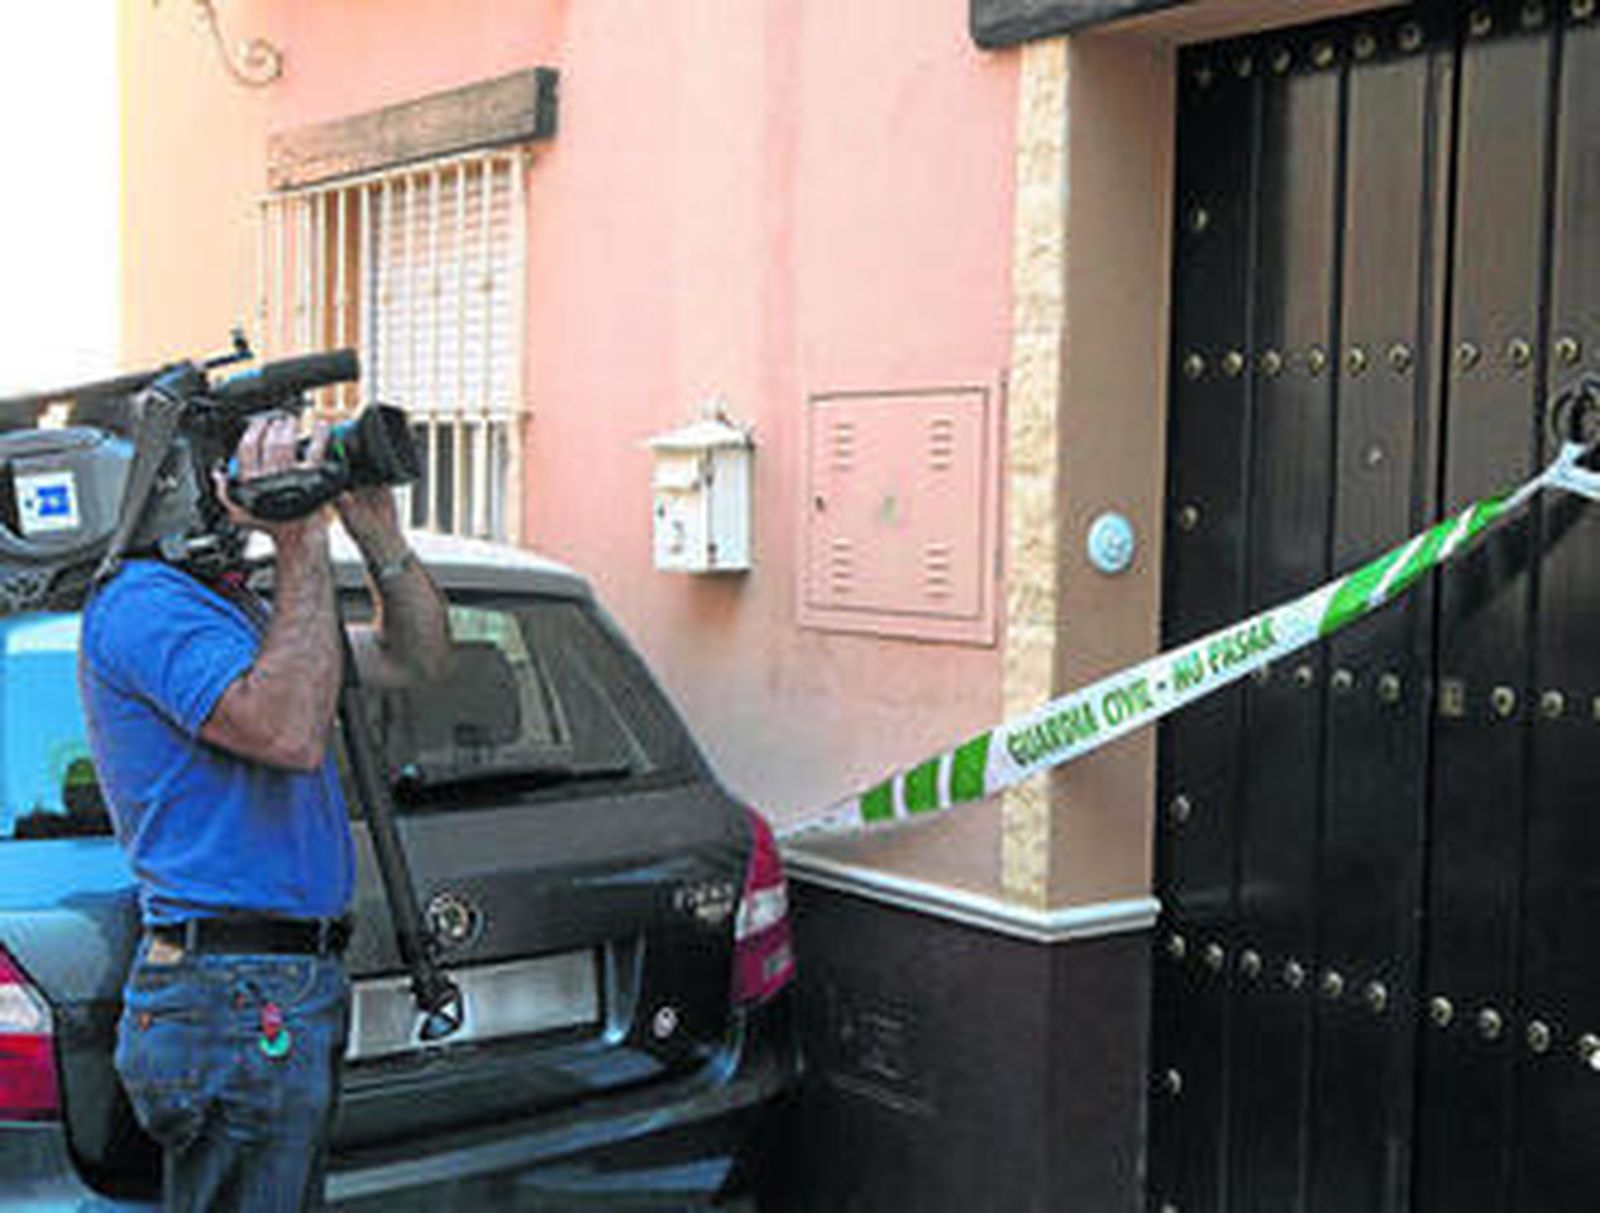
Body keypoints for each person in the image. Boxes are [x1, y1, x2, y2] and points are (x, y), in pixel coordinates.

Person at [77, 412, 452, 1212]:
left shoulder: (237, 611)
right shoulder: (143, 605)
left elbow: (415, 657)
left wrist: (380, 538)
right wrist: (300, 538)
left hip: (268, 988)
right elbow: (287, 731)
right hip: (231, 995)